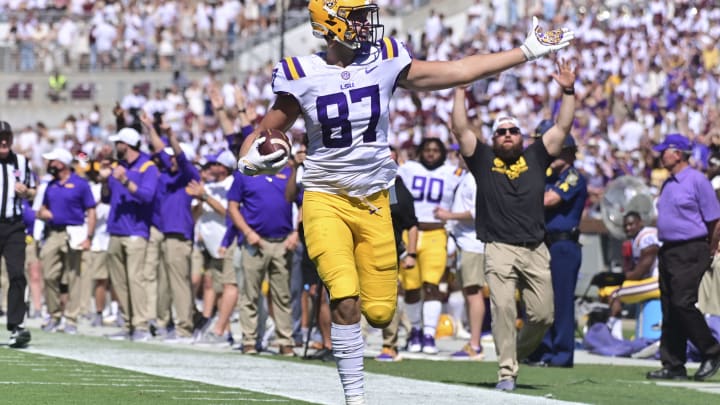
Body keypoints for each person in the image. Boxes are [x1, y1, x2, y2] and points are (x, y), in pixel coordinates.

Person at [235, 1, 573, 401]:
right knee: (343, 294)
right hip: (325, 197)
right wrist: (249, 159)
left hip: (375, 200)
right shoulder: (301, 73)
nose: (364, 23)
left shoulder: (385, 58)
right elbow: (264, 131)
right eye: (355, 16)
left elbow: (460, 70)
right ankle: (355, 398)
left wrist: (526, 51)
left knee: (379, 312)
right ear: (330, 22)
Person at [450, 58, 577, 391]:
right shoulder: (483, 160)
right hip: (499, 247)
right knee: (504, 307)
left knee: (543, 315)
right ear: (493, 139)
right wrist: (461, 92)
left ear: (522, 136)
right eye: (501, 132)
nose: (507, 135)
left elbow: (562, 129)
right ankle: (507, 371)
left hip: (536, 248)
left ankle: (515, 354)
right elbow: (461, 130)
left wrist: (568, 91)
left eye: (513, 131)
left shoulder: (536, 156)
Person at [647, 134, 720, 382]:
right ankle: (673, 363)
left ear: (677, 153)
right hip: (668, 249)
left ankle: (711, 350)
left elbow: (714, 220)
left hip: (691, 249)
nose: (660, 155)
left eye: (664, 150)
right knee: (669, 307)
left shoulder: (697, 181)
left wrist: (709, 249)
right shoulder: (668, 183)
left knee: (683, 302)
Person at [526, 131, 587, 367]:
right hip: (545, 242)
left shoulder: (573, 176)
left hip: (564, 244)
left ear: (569, 153)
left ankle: (561, 354)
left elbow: (549, 200)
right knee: (543, 301)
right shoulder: (549, 175)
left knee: (561, 301)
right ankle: (543, 350)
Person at [228, 162, 301, 355]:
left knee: (282, 295)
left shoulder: (288, 172)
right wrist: (247, 232)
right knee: (249, 294)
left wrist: (296, 232)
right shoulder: (245, 173)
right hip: (254, 241)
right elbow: (233, 206)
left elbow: (303, 203)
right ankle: (249, 340)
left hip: (282, 241)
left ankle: (285, 340)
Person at [397, 138, 462, 354]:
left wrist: (452, 227)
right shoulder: (409, 169)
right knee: (411, 287)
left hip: (436, 232)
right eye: (427, 150)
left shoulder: (452, 173)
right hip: (410, 232)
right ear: (420, 152)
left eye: (435, 150)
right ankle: (414, 331)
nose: (431, 154)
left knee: (432, 285)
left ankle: (429, 333)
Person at [99, 127, 159, 341]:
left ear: (127, 144)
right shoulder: (118, 166)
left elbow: (147, 196)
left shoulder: (147, 166)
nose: (116, 146)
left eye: (119, 143)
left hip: (136, 230)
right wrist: (105, 182)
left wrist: (125, 181)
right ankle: (127, 323)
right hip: (115, 229)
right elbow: (106, 199)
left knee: (136, 279)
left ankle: (141, 325)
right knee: (119, 281)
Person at [37, 148, 97, 334]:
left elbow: (91, 210)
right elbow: (43, 208)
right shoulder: (51, 185)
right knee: (48, 274)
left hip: (75, 232)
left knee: (74, 277)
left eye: (52, 161)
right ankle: (54, 315)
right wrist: (43, 213)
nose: (49, 165)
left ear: (61, 163)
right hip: (55, 232)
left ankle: (71, 318)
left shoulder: (80, 184)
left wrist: (89, 236)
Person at [434, 160, 486, 361]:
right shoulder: (466, 176)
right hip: (464, 241)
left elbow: (475, 212)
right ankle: (473, 342)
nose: (458, 157)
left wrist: (448, 215)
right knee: (467, 291)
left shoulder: (474, 179)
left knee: (473, 292)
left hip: (472, 242)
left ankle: (475, 344)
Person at [0, 120, 35, 348]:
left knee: (17, 274)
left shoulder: (21, 162)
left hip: (13, 225)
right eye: (0, 137)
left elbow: (32, 191)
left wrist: (26, 192)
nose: (3, 141)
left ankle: (16, 325)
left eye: (7, 137)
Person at [599, 212, 660, 340]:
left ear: (641, 223)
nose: (628, 228)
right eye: (625, 225)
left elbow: (639, 273)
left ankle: (615, 335)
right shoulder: (634, 240)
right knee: (606, 289)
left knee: (614, 292)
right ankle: (614, 328)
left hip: (659, 282)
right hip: (651, 282)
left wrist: (614, 278)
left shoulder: (647, 237)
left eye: (631, 224)